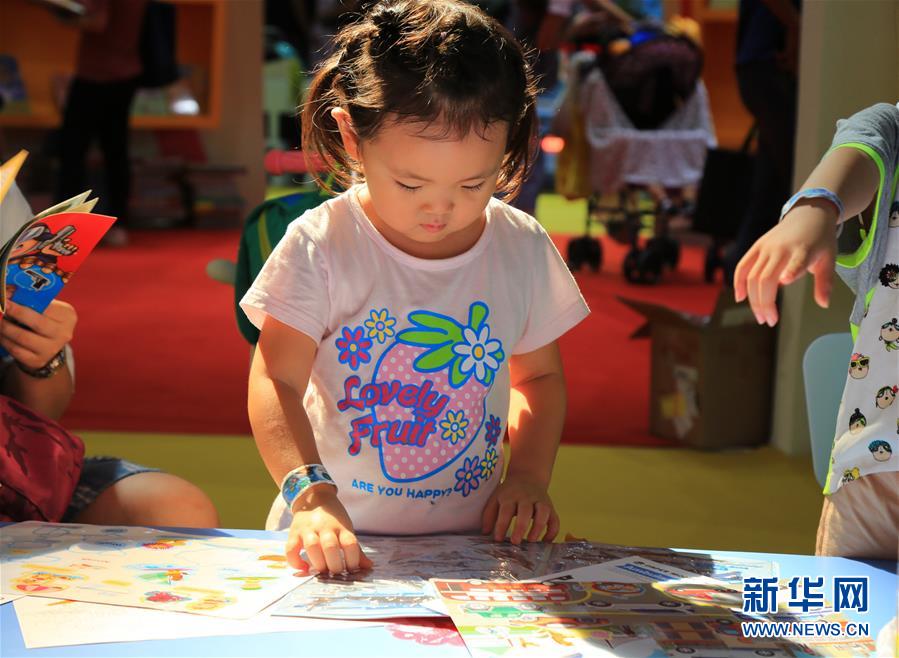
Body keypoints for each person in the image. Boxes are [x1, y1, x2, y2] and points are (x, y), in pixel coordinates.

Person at [241, 0, 590, 576]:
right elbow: (275, 379)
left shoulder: (520, 246)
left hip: (474, 548)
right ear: (352, 137)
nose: (440, 208)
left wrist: (527, 476)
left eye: (475, 182)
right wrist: (310, 496)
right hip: (333, 539)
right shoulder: (323, 244)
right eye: (409, 182)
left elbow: (541, 378)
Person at [1, 181, 219, 528]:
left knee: (174, 508)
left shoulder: (3, 193)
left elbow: (43, 413)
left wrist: (42, 356)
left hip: (14, 473)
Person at [734, 102, 899, 560]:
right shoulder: (893, 130)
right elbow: (866, 141)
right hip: (880, 476)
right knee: (846, 626)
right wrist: (815, 207)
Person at [54, 0, 149, 247]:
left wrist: (63, 16)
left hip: (95, 75)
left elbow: (96, 22)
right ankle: (118, 222)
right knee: (115, 150)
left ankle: (66, 225)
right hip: (127, 71)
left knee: (73, 150)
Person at [722, 0, 801, 284]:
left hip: (763, 62)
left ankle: (739, 286)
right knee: (791, 183)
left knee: (771, 188)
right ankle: (745, 284)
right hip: (769, 62)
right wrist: (795, 24)